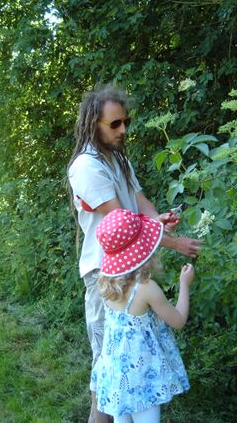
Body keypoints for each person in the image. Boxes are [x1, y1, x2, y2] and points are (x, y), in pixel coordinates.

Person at [67, 84, 201, 423]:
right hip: (105, 272)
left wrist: (159, 223)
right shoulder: (86, 167)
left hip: (133, 264)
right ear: (93, 124)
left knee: (129, 361)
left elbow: (138, 202)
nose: (123, 129)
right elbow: (116, 218)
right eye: (114, 124)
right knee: (107, 364)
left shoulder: (117, 157)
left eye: (125, 121)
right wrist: (173, 242)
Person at [91, 208, 194, 423]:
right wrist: (185, 285)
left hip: (114, 373)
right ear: (144, 248)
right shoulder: (146, 289)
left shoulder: (106, 283)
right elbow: (179, 320)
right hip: (140, 378)